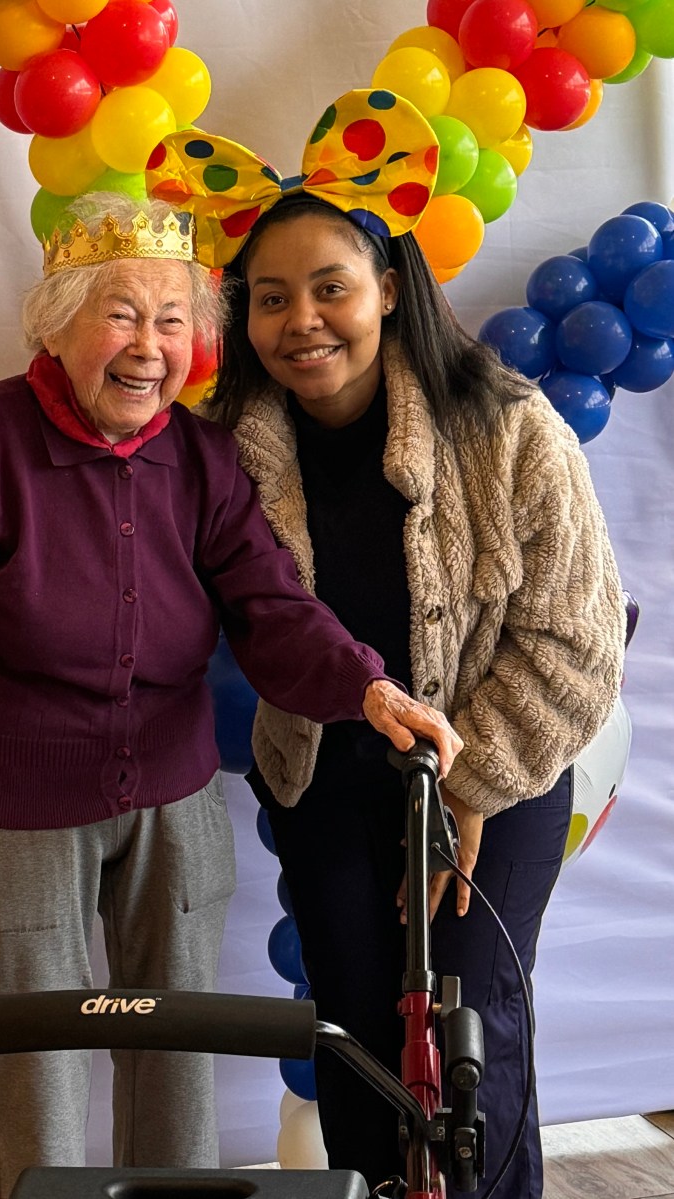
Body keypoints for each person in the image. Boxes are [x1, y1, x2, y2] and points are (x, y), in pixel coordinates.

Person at [0, 189, 461, 1198]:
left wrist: (366, 684)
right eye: (120, 313)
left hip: (172, 796)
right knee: (31, 1064)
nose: (148, 345)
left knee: (178, 1059)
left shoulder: (200, 456)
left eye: (172, 320)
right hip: (17, 798)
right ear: (58, 322)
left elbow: (269, 603)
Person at [149, 91, 626, 1196]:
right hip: (320, 777)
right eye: (270, 299)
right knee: (355, 1035)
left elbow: (575, 638)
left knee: (467, 1033)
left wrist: (474, 781)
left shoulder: (507, 426)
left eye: (329, 289)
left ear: (387, 292)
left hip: (487, 780)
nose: (300, 320)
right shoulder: (221, 457)